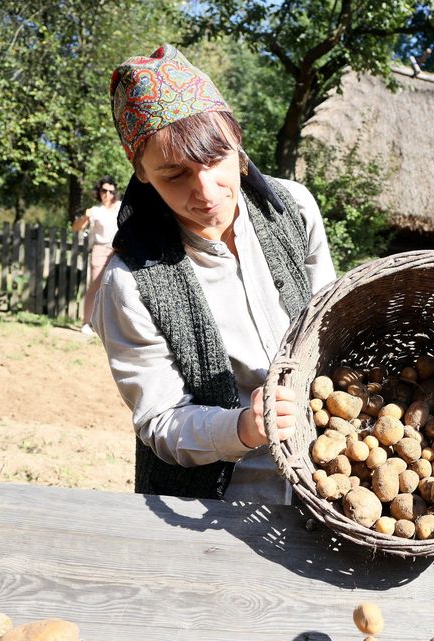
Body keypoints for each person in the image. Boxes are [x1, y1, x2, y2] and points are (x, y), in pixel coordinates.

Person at [91, 44, 336, 502]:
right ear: (141, 173)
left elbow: (332, 324)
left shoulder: (294, 210)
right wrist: (243, 427)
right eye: (173, 174)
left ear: (237, 144)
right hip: (217, 504)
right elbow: (161, 420)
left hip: (330, 479)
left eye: (215, 159)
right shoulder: (129, 282)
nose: (205, 192)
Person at [72, 176, 121, 336]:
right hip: (100, 250)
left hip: (119, 251)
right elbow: (76, 228)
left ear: (115, 192)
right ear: (99, 192)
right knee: (95, 286)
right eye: (104, 190)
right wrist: (85, 216)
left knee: (118, 287)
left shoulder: (121, 207)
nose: (107, 194)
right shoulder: (95, 211)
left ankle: (111, 327)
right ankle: (86, 322)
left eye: (111, 191)